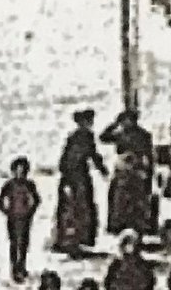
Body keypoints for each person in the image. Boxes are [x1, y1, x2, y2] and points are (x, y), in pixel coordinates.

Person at [52, 109, 108, 255]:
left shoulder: (75, 136)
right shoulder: (85, 136)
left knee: (72, 209)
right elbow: (92, 155)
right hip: (77, 178)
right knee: (78, 209)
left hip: (73, 177)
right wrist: (102, 170)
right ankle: (74, 240)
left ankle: (70, 239)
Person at [0, 158, 42, 281]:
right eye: (18, 170)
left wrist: (30, 212)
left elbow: (36, 200)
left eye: (22, 171)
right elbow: (0, 201)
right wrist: (7, 212)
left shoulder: (29, 185)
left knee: (23, 244)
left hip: (25, 219)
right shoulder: (9, 185)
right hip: (12, 218)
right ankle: (14, 269)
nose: (20, 173)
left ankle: (21, 267)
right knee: (14, 243)